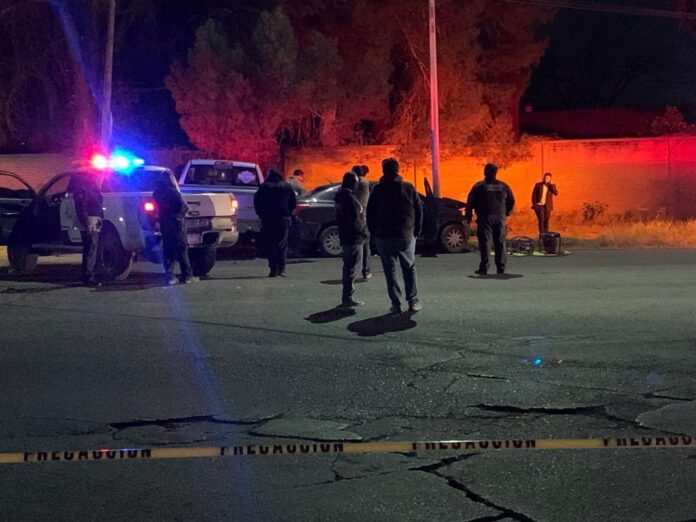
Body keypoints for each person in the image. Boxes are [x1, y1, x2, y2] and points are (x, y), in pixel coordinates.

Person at [367, 157, 423, 313]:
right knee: (409, 267)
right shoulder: (408, 188)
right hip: (405, 234)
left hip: (384, 236)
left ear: (383, 171)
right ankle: (413, 300)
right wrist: (416, 230)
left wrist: (373, 233)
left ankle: (396, 303)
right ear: (397, 170)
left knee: (390, 270)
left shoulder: (378, 190)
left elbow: (370, 213)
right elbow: (419, 209)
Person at [465, 163, 515, 275]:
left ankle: (484, 267)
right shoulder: (503, 186)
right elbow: (511, 201)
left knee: (485, 243)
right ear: (496, 173)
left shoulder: (479, 186)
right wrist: (506, 213)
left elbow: (470, 203)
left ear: (485, 172)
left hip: (485, 217)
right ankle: (501, 268)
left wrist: (468, 218)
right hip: (500, 217)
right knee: (500, 242)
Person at [153, 174, 196, 285]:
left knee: (168, 252)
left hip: (165, 225)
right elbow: (182, 207)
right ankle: (187, 275)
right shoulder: (173, 192)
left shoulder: (157, 193)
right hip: (176, 225)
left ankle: (170, 277)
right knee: (182, 250)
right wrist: (181, 214)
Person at [254, 168, 297, 277]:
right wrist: (288, 212)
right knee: (282, 243)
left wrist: (261, 214)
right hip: (283, 218)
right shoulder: (286, 186)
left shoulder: (264, 187)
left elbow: (257, 202)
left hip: (268, 219)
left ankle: (273, 268)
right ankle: (281, 267)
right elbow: (293, 202)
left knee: (271, 243)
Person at [335, 172, 369, 307]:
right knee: (352, 268)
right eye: (356, 183)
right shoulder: (348, 197)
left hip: (347, 236)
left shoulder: (340, 196)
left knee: (349, 266)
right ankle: (348, 297)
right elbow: (355, 218)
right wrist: (363, 231)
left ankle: (347, 296)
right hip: (353, 237)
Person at [73, 176, 104, 287]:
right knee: (90, 249)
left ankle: (91, 274)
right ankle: (88, 276)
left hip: (95, 222)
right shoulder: (83, 191)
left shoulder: (92, 190)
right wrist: (87, 224)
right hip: (90, 222)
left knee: (93, 249)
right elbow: (81, 209)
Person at [352, 164, 372, 279]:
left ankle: (354, 271)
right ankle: (366, 270)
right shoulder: (365, 183)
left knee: (356, 245)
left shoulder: (354, 183)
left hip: (355, 217)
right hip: (363, 217)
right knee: (365, 244)